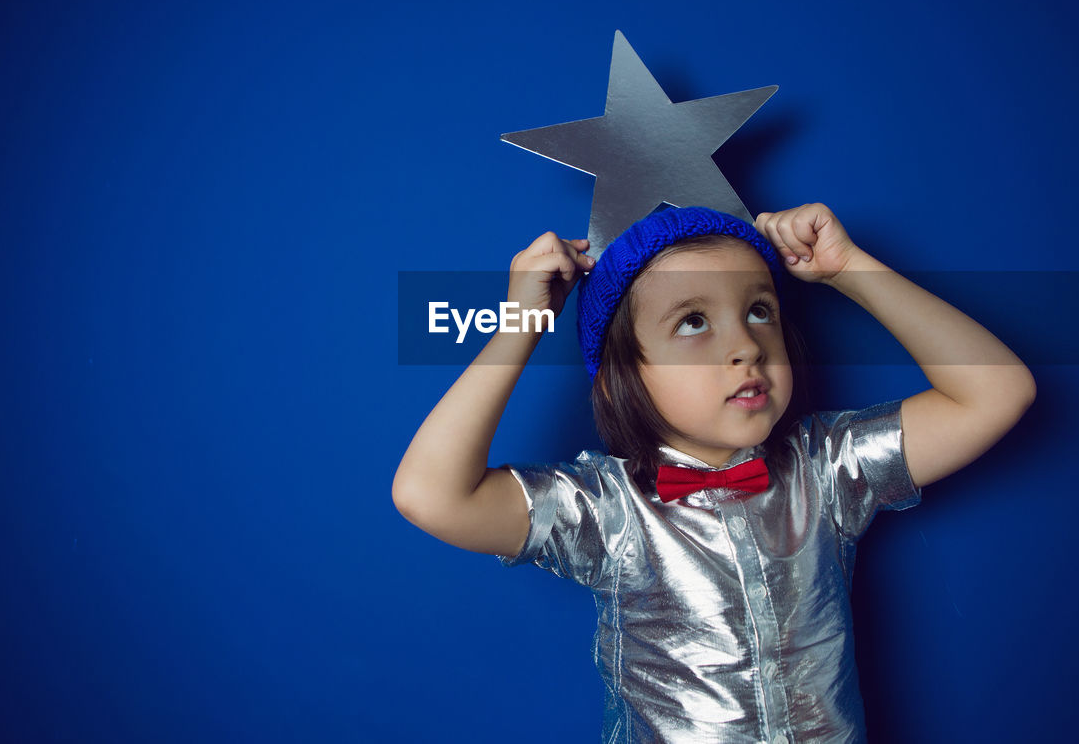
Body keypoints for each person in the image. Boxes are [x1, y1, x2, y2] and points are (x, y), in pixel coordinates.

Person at [392, 203, 1036, 743]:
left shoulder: (828, 468)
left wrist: (850, 271)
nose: (746, 345)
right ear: (621, 383)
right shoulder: (604, 509)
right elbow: (430, 494)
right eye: (693, 322)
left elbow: (995, 394)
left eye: (760, 312)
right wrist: (522, 323)